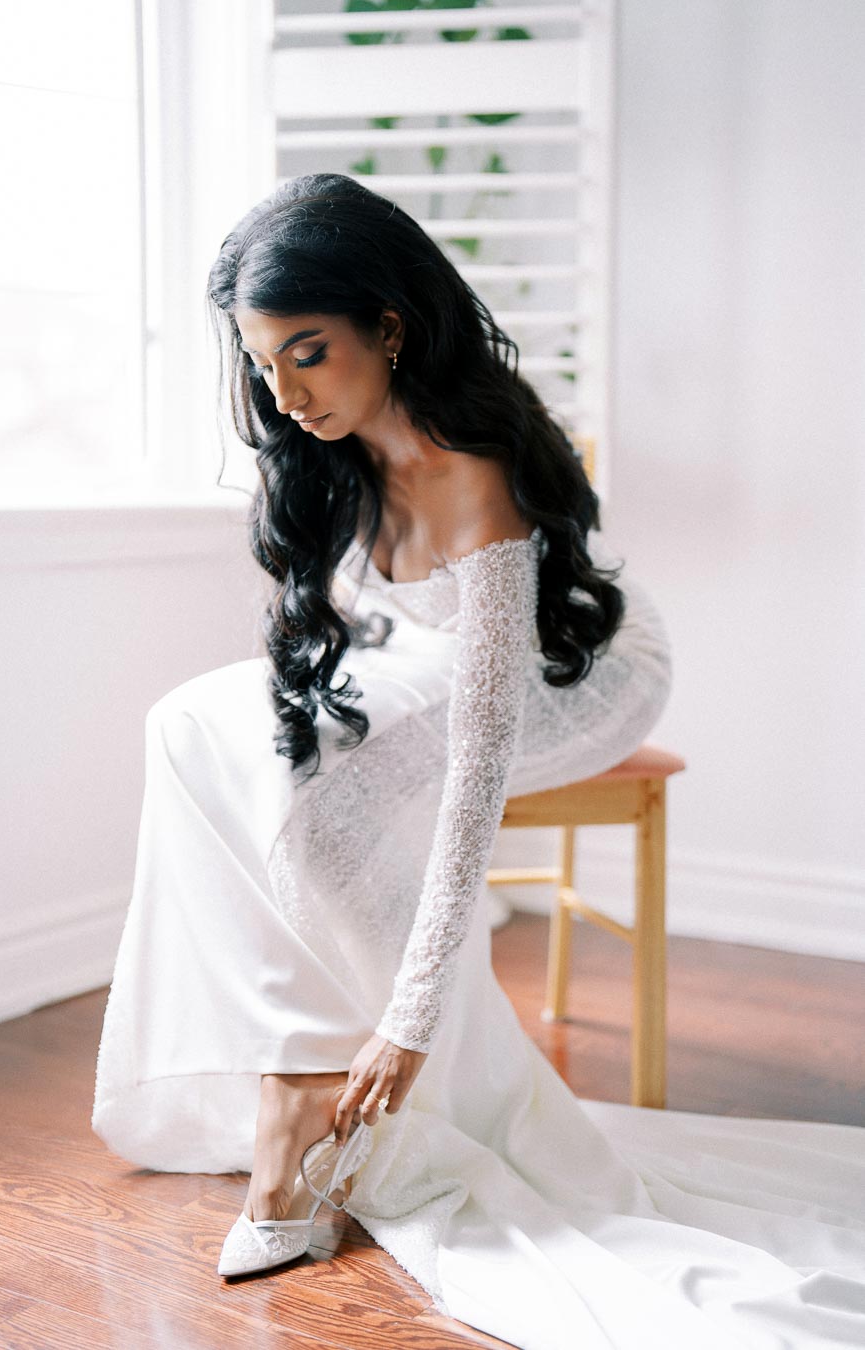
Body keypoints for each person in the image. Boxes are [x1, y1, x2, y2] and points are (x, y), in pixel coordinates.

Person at [92, 175, 865, 1350]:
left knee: (321, 799)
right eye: (262, 363)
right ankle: (296, 1068)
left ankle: (316, 1089)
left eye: (310, 353)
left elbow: (477, 767)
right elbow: (341, 638)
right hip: (432, 647)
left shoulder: (475, 479)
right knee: (187, 726)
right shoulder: (325, 445)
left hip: (577, 673)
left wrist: (410, 1020)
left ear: (390, 327)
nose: (285, 394)